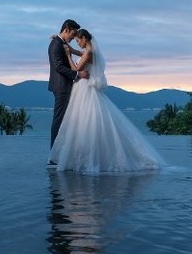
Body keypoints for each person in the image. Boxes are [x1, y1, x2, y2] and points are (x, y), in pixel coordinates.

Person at [49, 28, 165, 174]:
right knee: (86, 121)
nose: (78, 44)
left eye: (78, 41)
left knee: (85, 121)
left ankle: (82, 156)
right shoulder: (91, 52)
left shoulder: (89, 53)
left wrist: (68, 55)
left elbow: (76, 68)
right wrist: (69, 47)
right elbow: (82, 54)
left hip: (84, 88)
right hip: (84, 88)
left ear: (84, 38)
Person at [48, 19, 89, 158]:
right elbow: (59, 67)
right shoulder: (55, 45)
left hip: (66, 86)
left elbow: (66, 47)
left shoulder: (60, 43)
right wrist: (78, 74)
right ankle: (54, 156)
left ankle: (61, 153)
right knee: (59, 120)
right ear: (66, 29)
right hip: (61, 87)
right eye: (72, 33)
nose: (73, 37)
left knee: (65, 121)